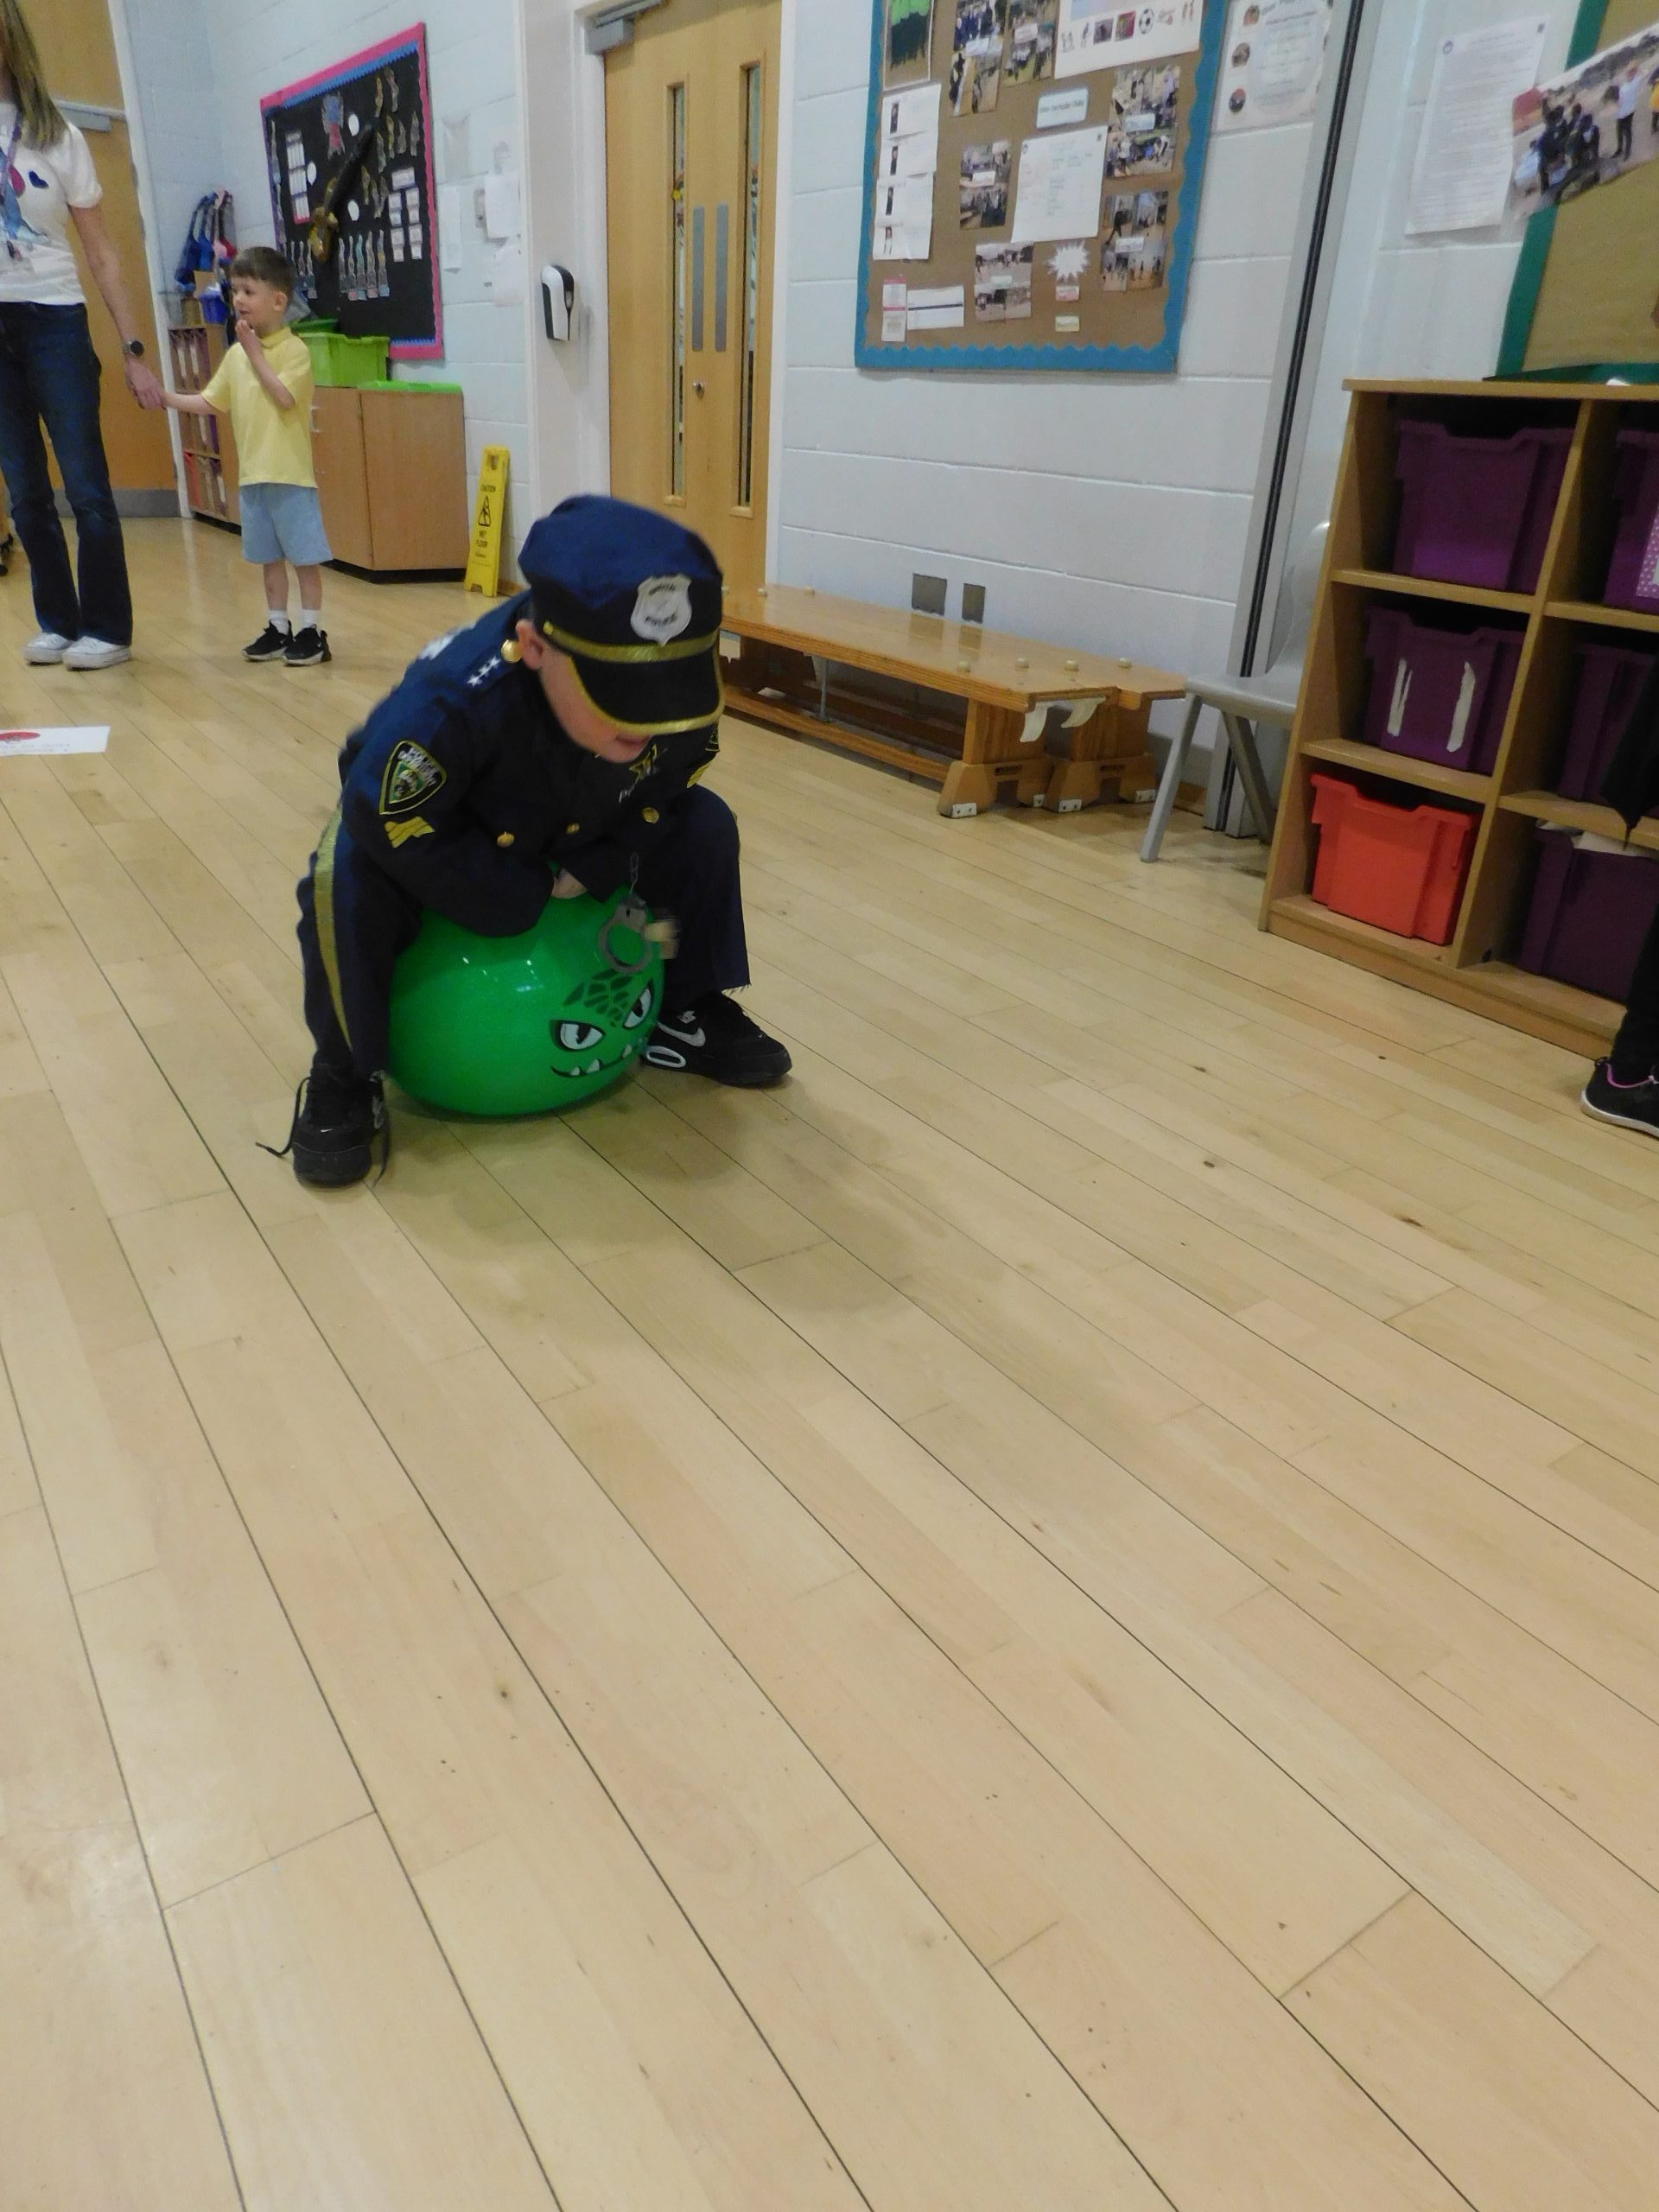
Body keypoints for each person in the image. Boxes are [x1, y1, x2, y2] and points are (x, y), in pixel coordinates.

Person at [274, 494, 791, 1186]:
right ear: (536, 647)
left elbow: (672, 780)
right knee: (344, 877)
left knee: (704, 827)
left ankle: (684, 1006)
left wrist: (596, 862)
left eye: (670, 689)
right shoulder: (454, 701)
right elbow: (389, 815)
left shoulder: (676, 701)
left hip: (588, 816)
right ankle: (343, 1072)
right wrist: (521, 891)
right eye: (621, 696)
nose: (649, 722)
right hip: (450, 831)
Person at [0, 0, 162, 669]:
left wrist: (133, 350)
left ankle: (108, 628)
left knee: (87, 487)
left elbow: (103, 254)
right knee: (25, 492)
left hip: (55, 322)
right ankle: (58, 621)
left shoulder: (57, 135)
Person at [161, 246, 331, 666]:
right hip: (254, 477)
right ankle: (278, 626)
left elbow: (285, 397)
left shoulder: (294, 351)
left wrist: (256, 354)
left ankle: (312, 631)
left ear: (278, 301)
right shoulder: (236, 355)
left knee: (304, 559)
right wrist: (164, 397)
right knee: (268, 559)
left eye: (248, 291)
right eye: (234, 290)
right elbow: (211, 401)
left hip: (290, 477)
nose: (238, 299)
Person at [1616, 67, 1639, 162]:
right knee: (1619, 132)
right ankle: (1620, 149)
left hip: (1628, 112)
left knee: (1627, 133)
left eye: (1631, 74)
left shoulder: (1634, 83)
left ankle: (1627, 151)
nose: (1629, 75)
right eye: (1628, 74)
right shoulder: (1625, 84)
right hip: (1620, 113)